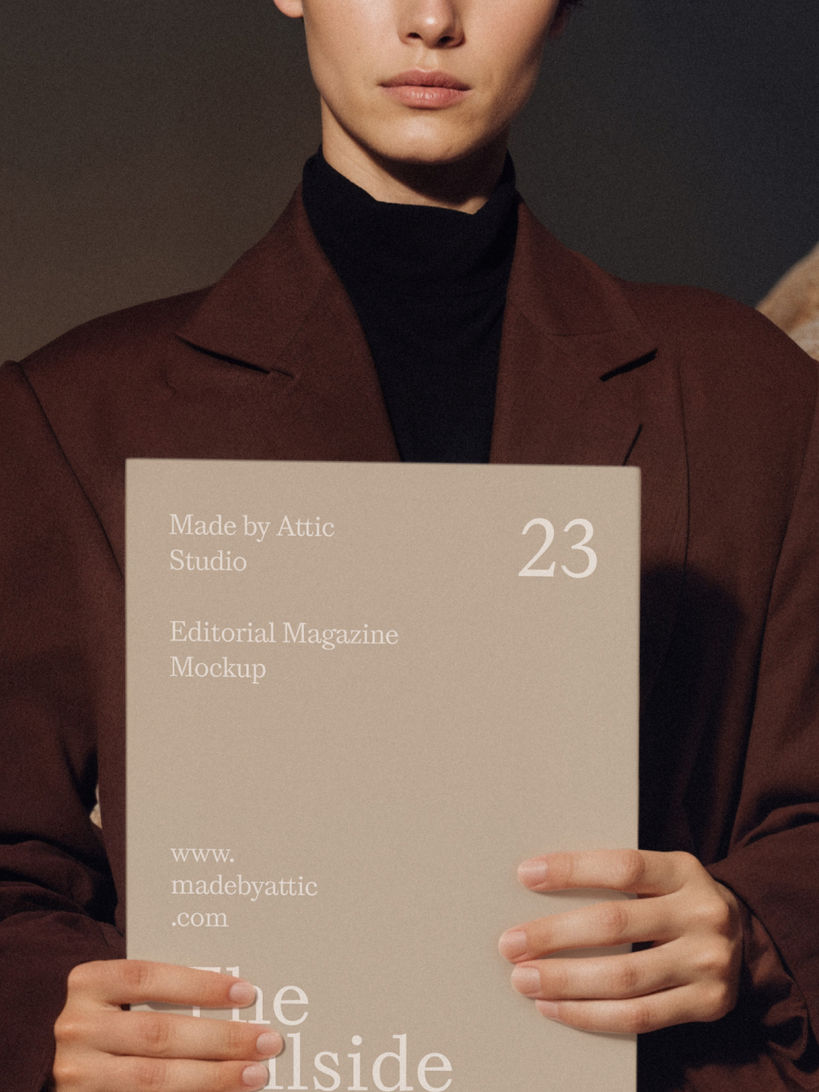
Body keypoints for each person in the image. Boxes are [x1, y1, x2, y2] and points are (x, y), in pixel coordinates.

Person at [1, 0, 817, 1089]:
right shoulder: (72, 414)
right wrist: (55, 1014)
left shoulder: (750, 396)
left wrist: (752, 929)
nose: (433, 20)